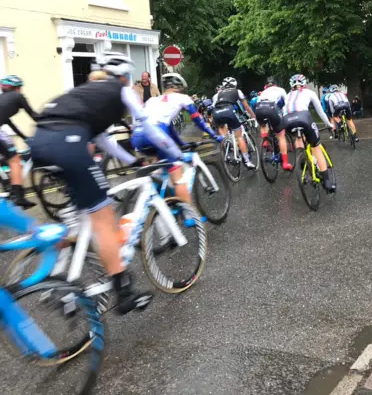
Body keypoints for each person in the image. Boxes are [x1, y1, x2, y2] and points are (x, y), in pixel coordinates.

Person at [29, 52, 181, 315]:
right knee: (104, 216)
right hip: (67, 145)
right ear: (124, 76)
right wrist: (176, 153)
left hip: (39, 143)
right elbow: (149, 127)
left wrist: (132, 162)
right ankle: (123, 292)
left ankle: (55, 276)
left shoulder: (85, 94)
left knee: (79, 216)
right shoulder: (120, 89)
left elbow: (102, 141)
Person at [131, 73, 222, 203]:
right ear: (179, 87)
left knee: (160, 166)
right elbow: (198, 120)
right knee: (178, 177)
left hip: (137, 136)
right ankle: (191, 217)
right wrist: (214, 135)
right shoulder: (183, 97)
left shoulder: (153, 100)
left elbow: (169, 127)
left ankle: (159, 202)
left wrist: (180, 143)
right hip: (156, 134)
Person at [282, 74, 336, 192]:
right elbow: (320, 112)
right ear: (304, 84)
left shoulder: (287, 95)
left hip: (287, 120)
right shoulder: (309, 92)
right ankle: (327, 181)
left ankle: (302, 157)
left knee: (299, 136)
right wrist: (329, 124)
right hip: (303, 117)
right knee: (316, 147)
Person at [0, 76, 39, 208]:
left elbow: (8, 123)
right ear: (16, 88)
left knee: (5, 156)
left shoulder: (2, 100)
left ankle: (7, 184)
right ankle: (18, 197)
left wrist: (24, 137)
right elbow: (33, 115)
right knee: (15, 160)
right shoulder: (18, 97)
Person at [211, 77, 257, 169]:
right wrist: (253, 116)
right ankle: (247, 161)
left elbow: (213, 107)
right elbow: (246, 106)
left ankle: (227, 151)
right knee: (239, 136)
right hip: (229, 111)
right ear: (235, 84)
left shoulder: (217, 94)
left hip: (216, 113)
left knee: (224, 135)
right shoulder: (237, 91)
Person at [254, 77, 292, 171]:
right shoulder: (280, 90)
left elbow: (257, 102)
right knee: (281, 135)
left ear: (266, 85)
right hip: (271, 107)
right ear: (276, 84)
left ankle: (266, 140)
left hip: (259, 108)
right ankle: (285, 163)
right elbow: (287, 103)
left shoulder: (263, 92)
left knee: (263, 125)